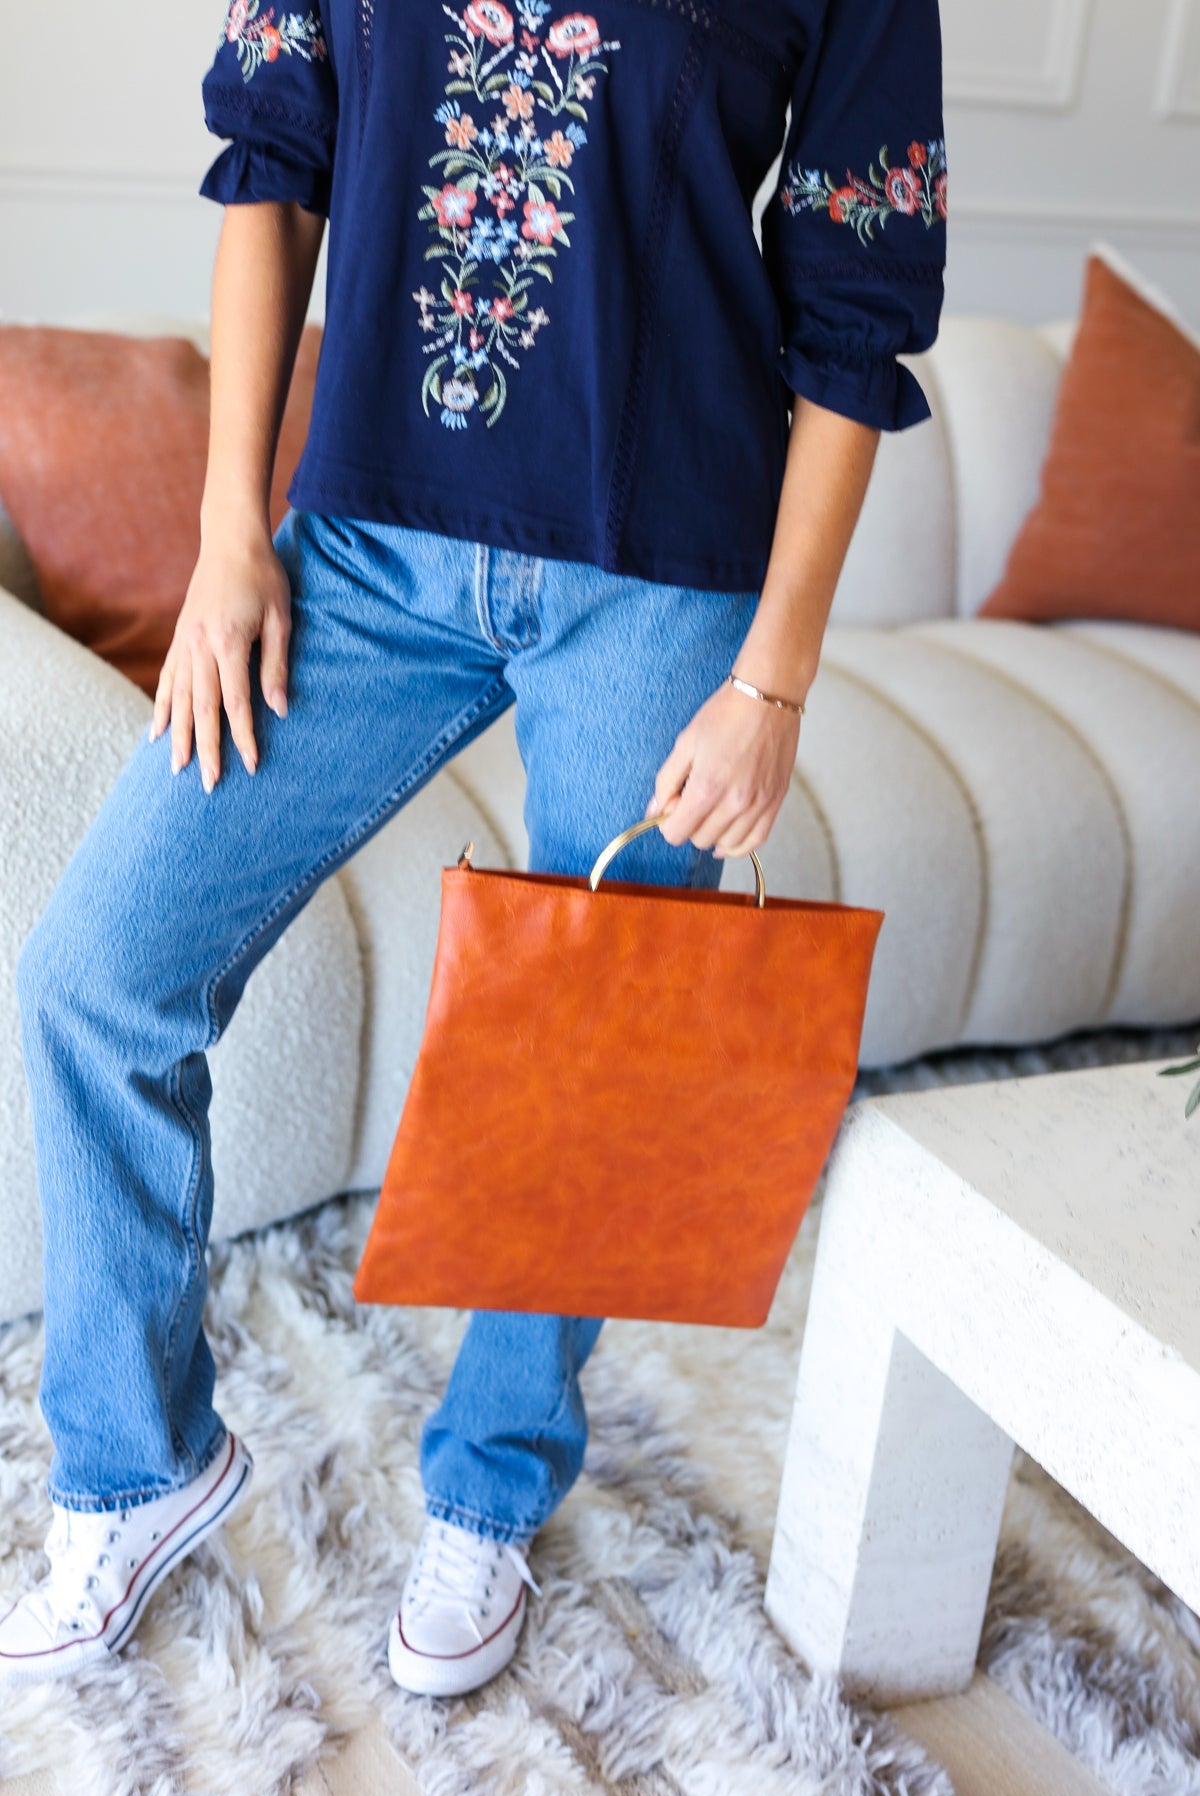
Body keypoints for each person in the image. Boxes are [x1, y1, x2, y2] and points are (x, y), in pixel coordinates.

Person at [0, 0, 947, 1697]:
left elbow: (857, 300)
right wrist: (232, 534)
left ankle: (490, 1489)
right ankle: (139, 1469)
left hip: (665, 576)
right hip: (361, 551)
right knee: (95, 971)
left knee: (580, 1052)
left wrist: (774, 680)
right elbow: (272, 154)